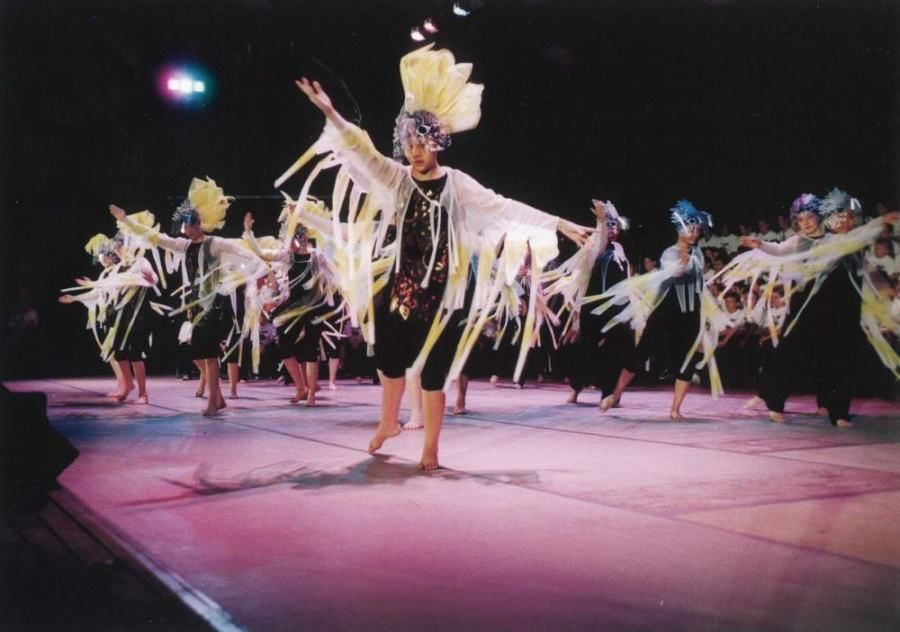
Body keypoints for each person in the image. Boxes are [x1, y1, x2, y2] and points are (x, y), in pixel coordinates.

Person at [289, 45, 591, 469]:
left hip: (444, 298)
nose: (414, 150)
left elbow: (503, 206)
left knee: (433, 375)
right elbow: (364, 154)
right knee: (389, 359)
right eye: (409, 142)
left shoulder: (456, 184)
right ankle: (388, 422)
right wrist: (333, 115)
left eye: (421, 142)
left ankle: (431, 447)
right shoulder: (397, 180)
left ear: (437, 144)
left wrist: (558, 223)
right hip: (402, 290)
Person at [721, 190, 900, 426]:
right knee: (791, 353)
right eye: (800, 219)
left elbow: (857, 240)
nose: (804, 223)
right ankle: (774, 400)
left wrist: (880, 222)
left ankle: (838, 411)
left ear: (819, 217)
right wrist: (760, 244)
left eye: (809, 218)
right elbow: (779, 250)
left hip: (835, 308)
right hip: (805, 307)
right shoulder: (797, 241)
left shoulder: (834, 240)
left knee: (838, 356)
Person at [110, 178, 269, 416]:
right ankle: (219, 398)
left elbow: (251, 258)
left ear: (198, 224)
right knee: (201, 352)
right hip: (196, 307)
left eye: (189, 225)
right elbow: (156, 237)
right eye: (184, 226)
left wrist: (255, 278)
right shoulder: (185, 246)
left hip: (214, 305)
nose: (185, 230)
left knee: (210, 353)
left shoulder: (216, 243)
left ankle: (213, 401)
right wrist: (126, 220)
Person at [594, 200, 722, 420]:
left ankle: (675, 409)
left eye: (696, 230)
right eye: (689, 228)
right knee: (639, 354)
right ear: (679, 229)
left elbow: (698, 279)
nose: (693, 233)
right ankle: (615, 394)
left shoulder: (698, 254)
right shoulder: (669, 253)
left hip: (690, 313)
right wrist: (683, 263)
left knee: (688, 360)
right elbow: (674, 272)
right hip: (666, 312)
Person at [554, 199, 631, 405]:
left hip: (615, 307)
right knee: (585, 349)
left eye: (615, 226)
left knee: (615, 349)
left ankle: (608, 393)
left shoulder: (620, 250)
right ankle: (576, 389)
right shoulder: (593, 248)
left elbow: (626, 278)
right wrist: (602, 221)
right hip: (593, 306)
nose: (613, 230)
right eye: (609, 226)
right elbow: (583, 279)